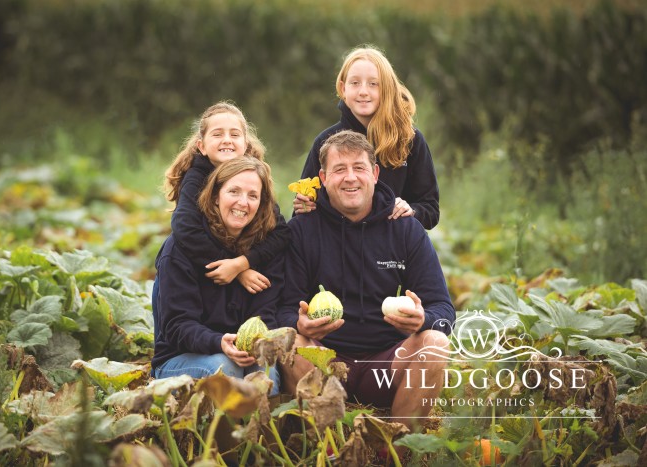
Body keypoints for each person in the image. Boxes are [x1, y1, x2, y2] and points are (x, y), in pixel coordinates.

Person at [278, 130, 454, 427]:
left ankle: (397, 450)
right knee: (291, 342)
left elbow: (444, 311)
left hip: (387, 365)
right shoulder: (302, 230)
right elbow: (280, 309)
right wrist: (299, 323)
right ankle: (330, 449)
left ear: (374, 173)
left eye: (358, 167)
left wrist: (422, 320)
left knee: (435, 342)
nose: (350, 178)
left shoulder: (406, 229)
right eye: (339, 169)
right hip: (325, 362)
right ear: (322, 178)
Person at [152, 157, 284, 394]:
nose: (243, 203)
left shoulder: (265, 252)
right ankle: (220, 431)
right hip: (180, 358)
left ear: (261, 204)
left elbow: (266, 314)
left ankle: (258, 431)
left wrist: (257, 345)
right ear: (215, 197)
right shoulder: (181, 248)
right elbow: (176, 326)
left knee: (267, 373)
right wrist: (218, 341)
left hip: (239, 353)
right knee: (223, 368)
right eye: (234, 191)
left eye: (252, 196)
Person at [293, 46, 440, 229]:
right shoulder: (325, 142)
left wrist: (411, 210)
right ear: (342, 88)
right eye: (355, 83)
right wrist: (305, 206)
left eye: (373, 84)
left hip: (392, 249)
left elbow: (431, 210)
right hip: (339, 247)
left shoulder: (410, 140)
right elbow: (303, 211)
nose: (363, 91)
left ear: (387, 89)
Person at [164, 101, 290, 294]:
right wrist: (238, 271)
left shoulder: (252, 176)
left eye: (234, 134)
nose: (227, 140)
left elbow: (280, 231)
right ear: (202, 146)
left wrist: (242, 263)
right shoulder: (195, 178)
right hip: (188, 276)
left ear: (245, 145)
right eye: (217, 134)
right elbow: (185, 228)